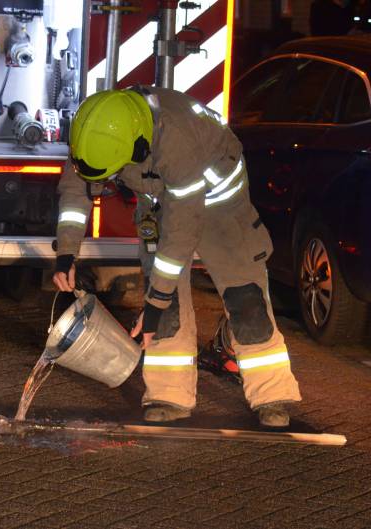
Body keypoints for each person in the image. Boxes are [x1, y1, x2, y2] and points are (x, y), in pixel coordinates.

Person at [52, 87, 302, 428]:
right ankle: (169, 396)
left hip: (220, 205)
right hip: (160, 201)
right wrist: (67, 251)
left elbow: (180, 236)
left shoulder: (177, 139)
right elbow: (76, 188)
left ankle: (272, 395)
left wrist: (154, 303)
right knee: (167, 312)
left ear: (139, 148)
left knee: (247, 300)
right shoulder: (98, 130)